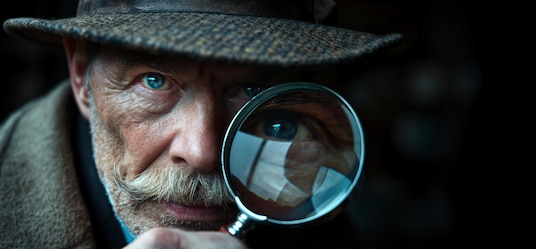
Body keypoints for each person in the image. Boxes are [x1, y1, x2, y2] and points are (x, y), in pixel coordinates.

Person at [0, 0, 401, 248]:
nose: (203, 152)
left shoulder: (308, 211)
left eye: (249, 89)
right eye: (154, 81)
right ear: (81, 75)